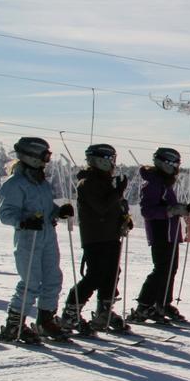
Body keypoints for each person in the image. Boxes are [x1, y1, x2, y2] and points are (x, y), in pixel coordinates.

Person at [0, 137, 72, 342]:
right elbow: (5, 214)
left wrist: (59, 211)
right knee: (30, 282)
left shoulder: (42, 183)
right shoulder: (15, 184)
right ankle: (14, 325)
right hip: (28, 239)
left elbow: (47, 210)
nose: (46, 161)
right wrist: (24, 221)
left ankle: (45, 321)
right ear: (31, 156)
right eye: (44, 156)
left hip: (47, 236)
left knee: (53, 279)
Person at [61, 143, 132, 333]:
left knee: (112, 273)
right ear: (94, 161)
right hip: (95, 236)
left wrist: (124, 219)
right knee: (95, 275)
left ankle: (104, 310)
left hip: (110, 235)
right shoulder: (88, 183)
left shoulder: (107, 182)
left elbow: (114, 207)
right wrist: (118, 193)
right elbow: (101, 207)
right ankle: (70, 312)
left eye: (112, 160)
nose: (110, 164)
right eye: (105, 160)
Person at [130, 147, 190, 324]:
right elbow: (147, 211)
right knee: (161, 269)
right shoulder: (153, 183)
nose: (175, 167)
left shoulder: (164, 183)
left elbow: (169, 206)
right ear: (163, 163)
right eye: (173, 163)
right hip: (160, 232)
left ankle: (162, 302)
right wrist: (171, 211)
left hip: (171, 233)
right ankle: (144, 305)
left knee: (170, 269)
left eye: (177, 163)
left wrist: (184, 208)